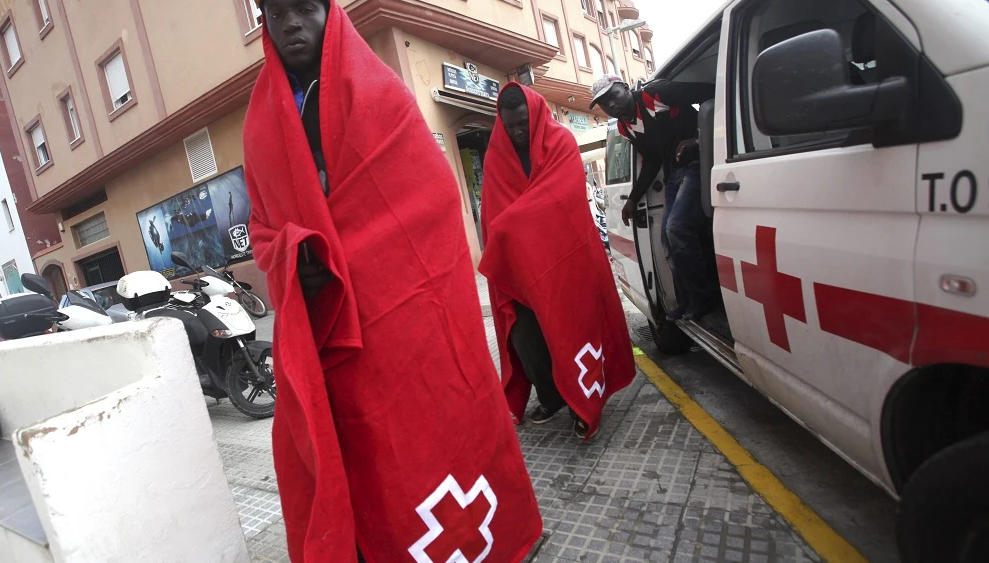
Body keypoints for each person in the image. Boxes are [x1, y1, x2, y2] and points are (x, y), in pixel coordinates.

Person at [243, 1, 541, 561]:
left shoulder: (379, 93)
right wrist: (291, 259)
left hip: (402, 322)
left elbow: (425, 200)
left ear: (330, 13)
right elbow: (263, 225)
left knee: (427, 437)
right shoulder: (259, 120)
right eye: (276, 12)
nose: (291, 25)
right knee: (361, 459)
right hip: (326, 330)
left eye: (304, 8)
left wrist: (343, 253)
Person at [479, 84, 635, 440]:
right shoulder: (495, 156)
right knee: (524, 336)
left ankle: (585, 399)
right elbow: (494, 213)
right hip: (518, 269)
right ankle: (551, 397)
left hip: (565, 261)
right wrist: (507, 231)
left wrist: (510, 224)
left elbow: (557, 201)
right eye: (509, 125)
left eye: (521, 122)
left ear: (533, 114)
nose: (516, 131)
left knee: (571, 330)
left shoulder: (561, 141)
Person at [590, 75, 716, 321]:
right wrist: (632, 199)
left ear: (625, 88)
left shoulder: (654, 95)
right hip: (674, 173)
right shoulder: (625, 127)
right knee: (667, 240)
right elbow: (652, 160)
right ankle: (687, 300)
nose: (611, 105)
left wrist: (701, 139)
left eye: (613, 95)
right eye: (604, 103)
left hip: (698, 164)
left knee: (677, 228)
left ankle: (703, 298)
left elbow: (714, 91)